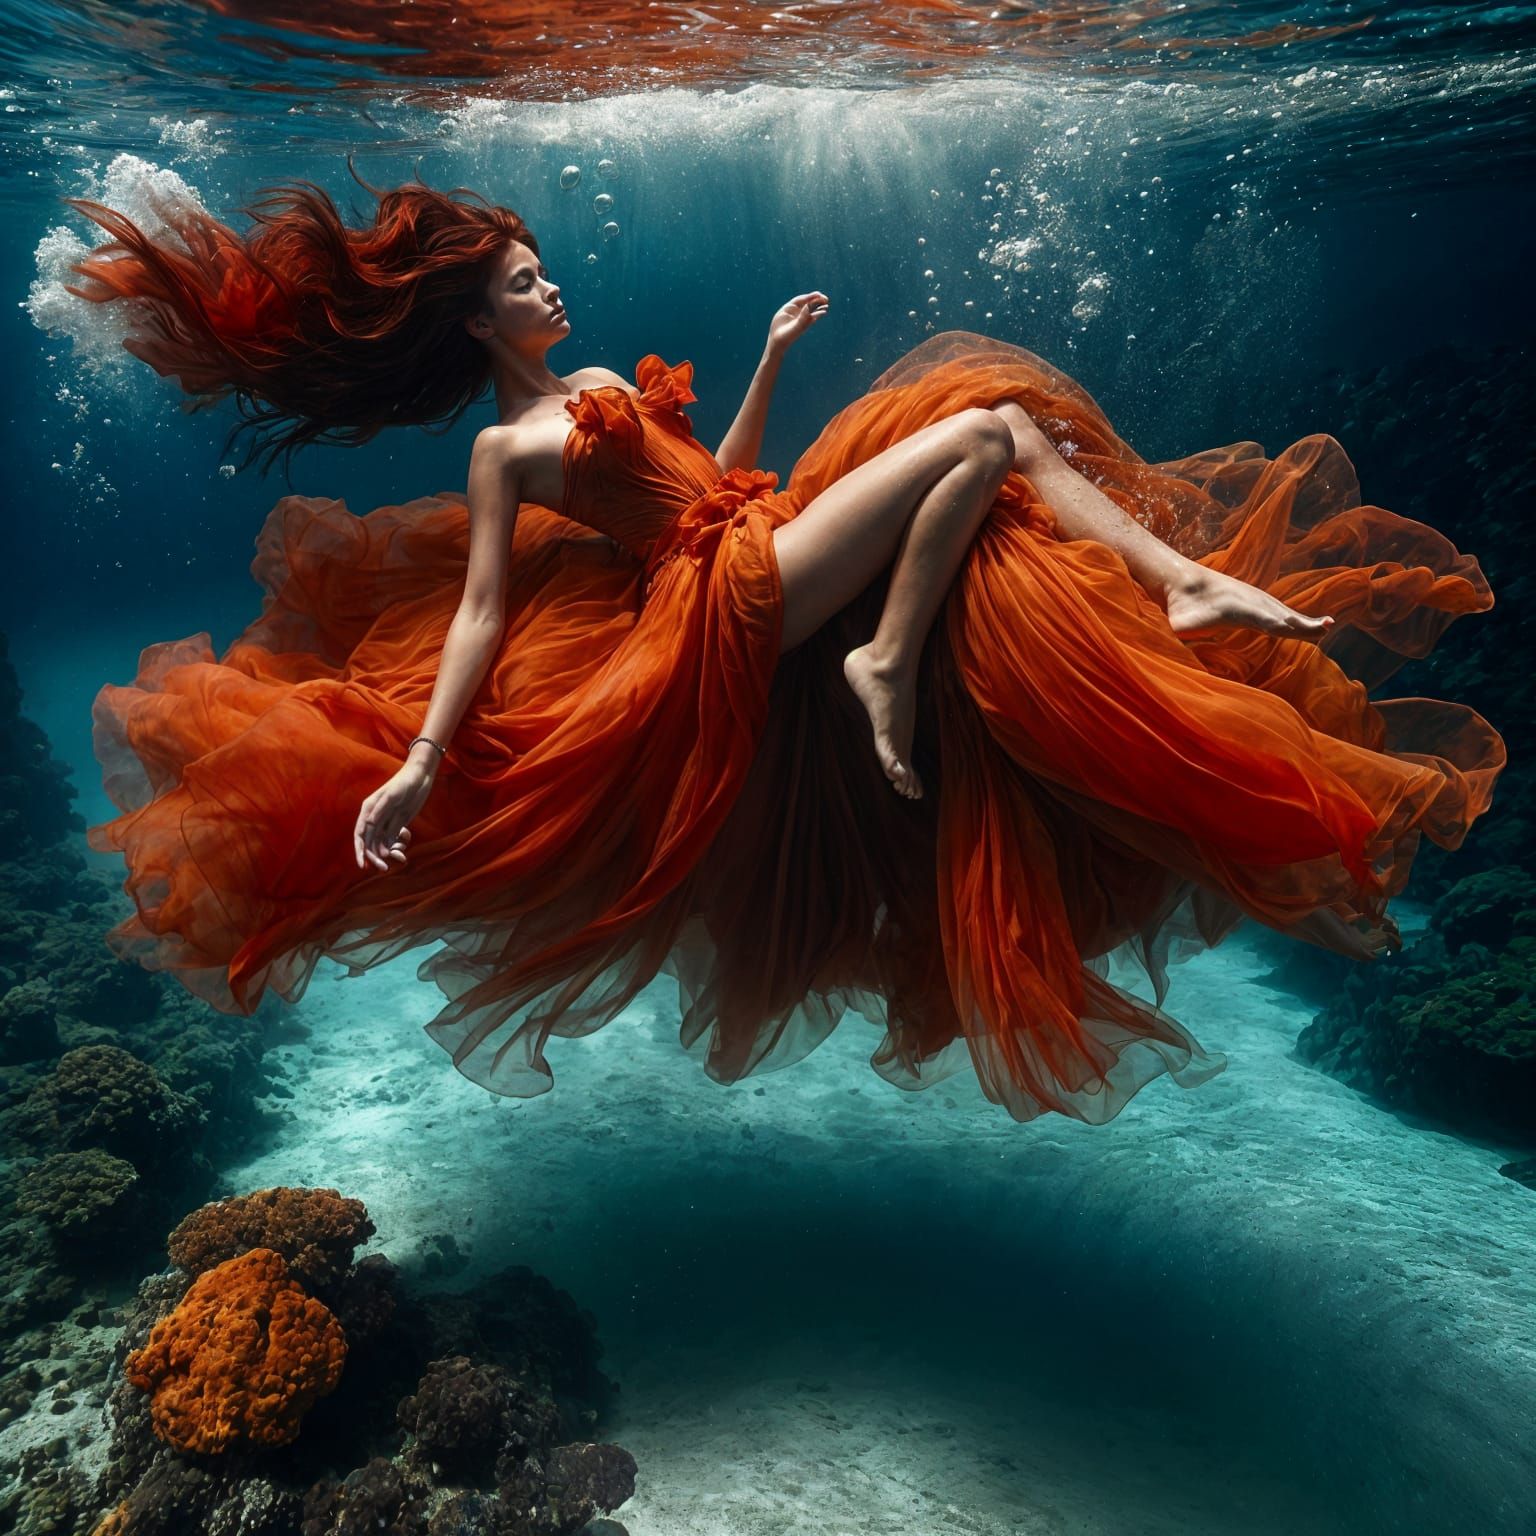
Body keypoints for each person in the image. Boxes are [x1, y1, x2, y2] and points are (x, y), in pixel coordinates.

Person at [65, 170, 1505, 1124]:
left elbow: (714, 476)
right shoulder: (506, 451)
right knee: (985, 428)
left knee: (985, 457)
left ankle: (973, 636)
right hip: (720, 604)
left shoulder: (599, 381)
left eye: (544, 272)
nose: (550, 291)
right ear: (472, 314)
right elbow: (489, 614)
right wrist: (426, 761)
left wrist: (762, 360)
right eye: (523, 281)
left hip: (751, 537)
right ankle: (1105, 603)